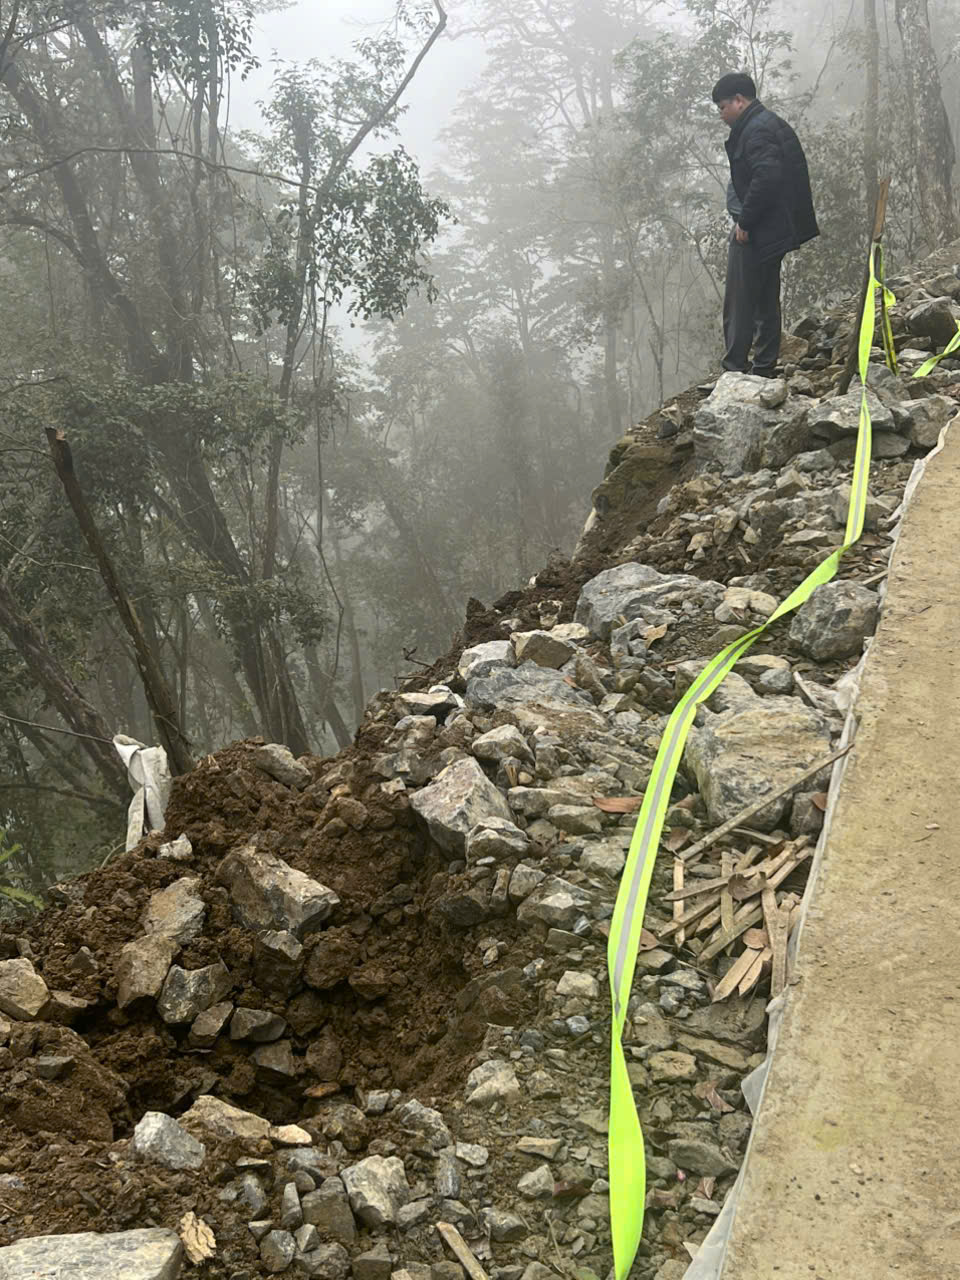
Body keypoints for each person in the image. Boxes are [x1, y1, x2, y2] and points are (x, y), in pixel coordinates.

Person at [712, 72, 819, 377]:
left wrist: (745, 221)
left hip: (760, 228)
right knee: (765, 298)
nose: (721, 114)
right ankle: (763, 368)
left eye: (722, 107)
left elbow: (767, 176)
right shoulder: (765, 123)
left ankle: (734, 369)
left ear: (739, 100)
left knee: (741, 300)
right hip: (774, 227)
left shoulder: (756, 130)